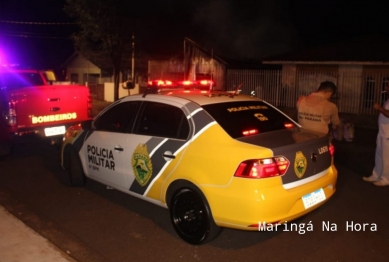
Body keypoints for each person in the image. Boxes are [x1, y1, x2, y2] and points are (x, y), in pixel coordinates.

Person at [362, 83, 389, 186]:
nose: (386, 88)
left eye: (388, 86)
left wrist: (379, 108)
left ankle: (386, 179)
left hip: (387, 135)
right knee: (379, 156)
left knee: (386, 158)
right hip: (382, 133)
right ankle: (376, 175)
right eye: (386, 86)